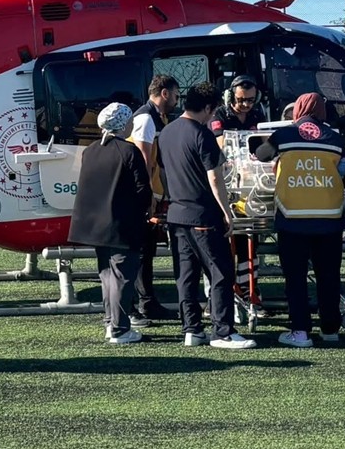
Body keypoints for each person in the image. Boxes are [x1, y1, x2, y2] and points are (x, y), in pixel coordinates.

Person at [156, 81, 257, 349]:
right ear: (210, 107)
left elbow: (163, 172)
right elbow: (215, 177)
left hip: (177, 214)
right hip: (202, 214)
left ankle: (192, 328)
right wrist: (227, 212)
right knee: (221, 271)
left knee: (186, 275)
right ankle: (222, 331)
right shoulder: (202, 135)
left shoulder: (166, 132)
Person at [254, 93, 345, 348]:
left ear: (297, 110)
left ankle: (300, 331)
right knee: (329, 275)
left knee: (296, 278)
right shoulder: (335, 139)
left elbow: (261, 154)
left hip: (293, 217)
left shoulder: (284, 135)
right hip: (329, 218)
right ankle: (330, 328)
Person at [69, 102, 153, 345]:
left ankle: (111, 322)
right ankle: (118, 328)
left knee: (107, 275)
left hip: (94, 224)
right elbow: (142, 189)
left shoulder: (91, 150)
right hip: (121, 223)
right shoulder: (128, 151)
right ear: (123, 123)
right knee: (123, 277)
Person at [209, 74, 269, 312]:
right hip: (227, 183)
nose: (247, 105)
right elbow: (221, 144)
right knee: (226, 245)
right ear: (230, 96)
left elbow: (264, 143)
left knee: (249, 242)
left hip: (252, 182)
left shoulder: (257, 113)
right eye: (242, 100)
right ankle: (224, 295)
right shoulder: (220, 115)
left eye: (251, 100)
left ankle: (250, 290)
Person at [128, 74, 182, 325]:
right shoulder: (145, 118)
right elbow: (144, 161)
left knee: (147, 252)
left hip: (151, 194)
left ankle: (147, 302)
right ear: (165, 93)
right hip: (141, 196)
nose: (177, 100)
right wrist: (148, 198)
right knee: (139, 253)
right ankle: (138, 305)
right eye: (176, 95)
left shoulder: (157, 116)